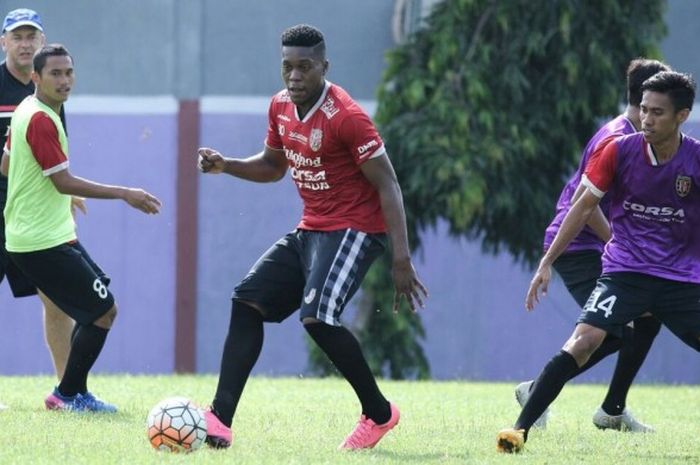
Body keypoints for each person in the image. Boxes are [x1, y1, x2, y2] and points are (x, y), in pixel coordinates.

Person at [197, 24, 428, 450]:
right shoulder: (280, 107)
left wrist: (401, 259)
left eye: (305, 67)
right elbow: (272, 166)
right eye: (288, 67)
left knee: (317, 316)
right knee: (246, 301)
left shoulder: (347, 117)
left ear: (324, 66)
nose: (295, 76)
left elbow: (388, 184)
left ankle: (378, 415)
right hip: (313, 228)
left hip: (357, 228)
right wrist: (225, 164)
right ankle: (219, 421)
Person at [497, 70, 699, 453]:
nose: (647, 119)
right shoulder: (619, 149)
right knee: (585, 340)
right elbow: (583, 206)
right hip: (625, 273)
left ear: (682, 116)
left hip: (680, 279)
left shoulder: (696, 159)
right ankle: (518, 430)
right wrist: (546, 262)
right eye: (644, 109)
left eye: (658, 112)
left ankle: (612, 408)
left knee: (637, 334)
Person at [1, 43, 162, 412]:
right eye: (55, 74)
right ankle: (67, 394)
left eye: (68, 72)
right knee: (103, 311)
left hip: (49, 232)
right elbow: (61, 181)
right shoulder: (41, 118)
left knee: (96, 307)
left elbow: (7, 166)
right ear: (35, 78)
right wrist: (125, 193)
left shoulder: (27, 108)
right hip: (39, 239)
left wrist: (48, 189)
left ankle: (70, 392)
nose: (64, 80)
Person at [0, 8, 76, 384]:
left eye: (32, 36)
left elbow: (53, 157)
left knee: (58, 298)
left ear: (42, 42)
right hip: (4, 205)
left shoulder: (48, 88)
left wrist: (67, 193)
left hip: (32, 213)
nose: (25, 43)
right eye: (17, 36)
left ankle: (67, 388)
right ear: (4, 43)